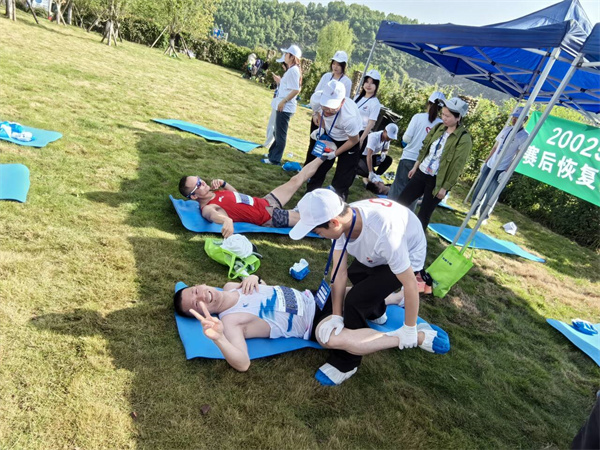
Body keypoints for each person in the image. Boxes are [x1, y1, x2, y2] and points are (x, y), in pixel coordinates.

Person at [289, 189, 432, 385]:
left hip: (407, 253)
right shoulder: (344, 219)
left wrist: (409, 328)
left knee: (355, 302)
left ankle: (348, 362)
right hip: (379, 251)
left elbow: (410, 284)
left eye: (317, 231)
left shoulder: (385, 235)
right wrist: (336, 316)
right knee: (356, 275)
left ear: (334, 222)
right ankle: (377, 310)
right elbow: (339, 273)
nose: (319, 235)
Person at [173, 276, 449, 374]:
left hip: (315, 297)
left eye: (196, 290)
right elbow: (243, 363)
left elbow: (263, 287)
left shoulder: (230, 286)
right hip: (314, 323)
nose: (202, 296)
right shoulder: (230, 321)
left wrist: (254, 276)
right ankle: (410, 337)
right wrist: (219, 338)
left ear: (202, 284)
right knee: (331, 338)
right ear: (202, 313)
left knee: (352, 291)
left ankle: (396, 298)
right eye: (197, 304)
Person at [178, 157, 325, 238]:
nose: (202, 182)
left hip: (265, 201)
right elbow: (212, 215)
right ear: (194, 196)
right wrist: (226, 220)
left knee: (296, 180)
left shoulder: (215, 192)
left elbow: (236, 195)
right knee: (311, 220)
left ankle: (325, 155)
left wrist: (224, 183)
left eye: (199, 179)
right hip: (269, 217)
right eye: (198, 185)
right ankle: (333, 219)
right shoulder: (208, 207)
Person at [396, 97, 473, 231]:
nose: (444, 118)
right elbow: (425, 148)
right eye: (442, 114)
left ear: (458, 117)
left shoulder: (464, 139)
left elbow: (457, 166)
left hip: (437, 181)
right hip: (422, 172)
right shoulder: (438, 128)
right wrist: (415, 167)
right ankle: (393, 228)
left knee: (424, 214)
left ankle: (416, 240)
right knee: (401, 202)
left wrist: (445, 188)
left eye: (447, 116)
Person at [304, 80, 362, 201]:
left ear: (342, 102)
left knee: (343, 177)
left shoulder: (349, 117)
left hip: (348, 140)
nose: (328, 111)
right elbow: (318, 112)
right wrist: (321, 129)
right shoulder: (316, 99)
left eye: (332, 108)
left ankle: (338, 203)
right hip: (330, 134)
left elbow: (354, 140)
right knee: (319, 168)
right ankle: (309, 198)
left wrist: (335, 153)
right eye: (325, 106)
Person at [471, 107, 530, 222]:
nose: (514, 120)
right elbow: (495, 147)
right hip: (490, 164)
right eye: (514, 117)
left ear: (525, 119)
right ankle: (472, 211)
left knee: (491, 194)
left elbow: (518, 156)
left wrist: (506, 172)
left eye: (517, 118)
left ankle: (483, 216)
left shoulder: (524, 136)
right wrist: (486, 161)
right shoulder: (506, 129)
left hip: (501, 169)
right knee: (479, 189)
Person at [388, 91, 446, 207]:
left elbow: (406, 138)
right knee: (413, 194)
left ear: (428, 103)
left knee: (398, 188)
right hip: (424, 164)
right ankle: (407, 217)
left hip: (409, 157)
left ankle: (389, 211)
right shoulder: (442, 125)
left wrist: (406, 143)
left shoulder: (418, 117)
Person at [304, 51, 353, 168]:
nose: (335, 67)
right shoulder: (326, 76)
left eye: (339, 64)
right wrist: (315, 114)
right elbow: (316, 96)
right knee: (313, 143)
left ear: (344, 66)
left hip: (331, 120)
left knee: (324, 146)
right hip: (319, 116)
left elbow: (343, 102)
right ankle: (306, 167)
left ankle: (317, 170)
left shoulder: (346, 82)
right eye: (334, 63)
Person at [262, 45, 302, 165]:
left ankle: (275, 159)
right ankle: (272, 154)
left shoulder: (294, 70)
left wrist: (284, 101)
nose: (284, 56)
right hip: (283, 106)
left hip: (285, 107)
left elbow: (296, 90)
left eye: (286, 54)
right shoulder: (292, 70)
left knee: (280, 134)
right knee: (277, 132)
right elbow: (288, 87)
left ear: (292, 56)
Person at [353, 70, 382, 151]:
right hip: (349, 130)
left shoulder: (375, 103)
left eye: (372, 83)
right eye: (367, 82)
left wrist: (361, 139)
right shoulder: (357, 97)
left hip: (360, 133)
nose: (368, 85)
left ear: (376, 85)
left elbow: (371, 123)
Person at [263, 55, 287, 148]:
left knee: (274, 125)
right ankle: (268, 142)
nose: (282, 66)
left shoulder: (291, 74)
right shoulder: (287, 74)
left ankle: (269, 144)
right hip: (277, 102)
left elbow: (288, 90)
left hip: (281, 104)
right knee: (271, 124)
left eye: (283, 64)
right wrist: (278, 82)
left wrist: (280, 82)